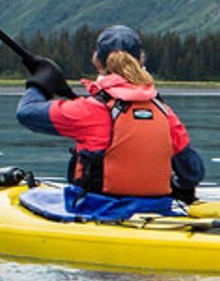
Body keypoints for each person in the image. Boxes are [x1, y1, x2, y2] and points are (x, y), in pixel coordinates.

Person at [16, 25, 207, 220]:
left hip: (98, 210)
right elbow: (193, 173)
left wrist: (40, 82)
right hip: (158, 210)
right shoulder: (165, 113)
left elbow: (26, 112)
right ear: (140, 59)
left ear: (97, 61)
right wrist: (173, 189)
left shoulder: (89, 110)